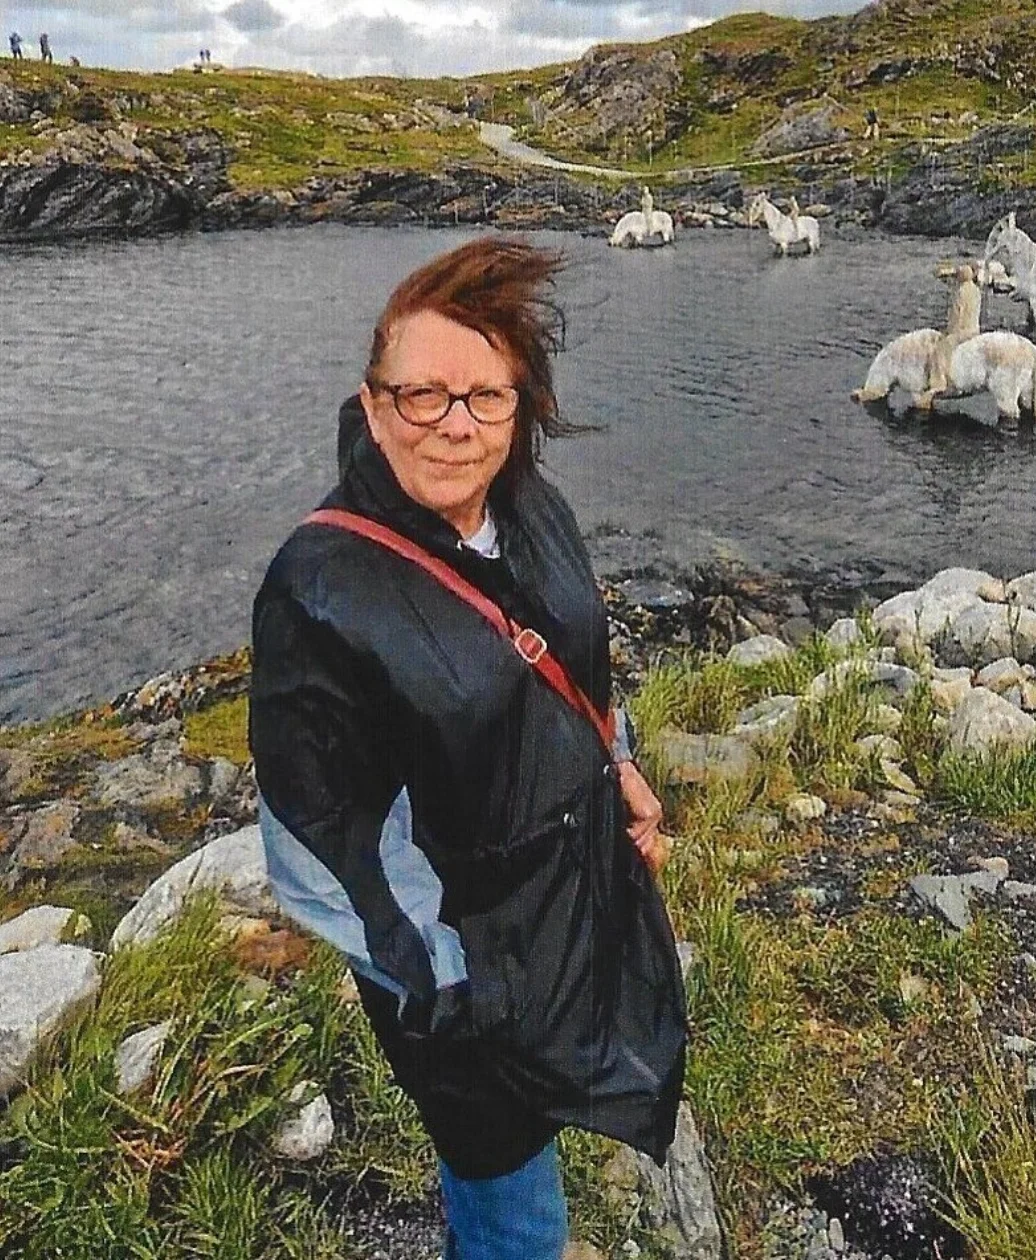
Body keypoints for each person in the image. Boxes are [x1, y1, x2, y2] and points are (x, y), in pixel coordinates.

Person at [250, 237, 688, 1260]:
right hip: (461, 969)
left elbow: (573, 659)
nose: (456, 426)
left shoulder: (533, 509)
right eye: (423, 396)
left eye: (486, 398)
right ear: (372, 401)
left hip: (573, 896)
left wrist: (615, 763)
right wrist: (456, 986)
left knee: (586, 1084)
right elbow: (314, 849)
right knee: (517, 1215)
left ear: (520, 404)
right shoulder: (316, 591)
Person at [915, 262, 981, 410]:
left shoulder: (961, 292)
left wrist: (949, 332)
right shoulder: (976, 290)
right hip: (975, 329)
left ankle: (939, 383)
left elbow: (957, 315)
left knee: (940, 349)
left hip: (963, 332)